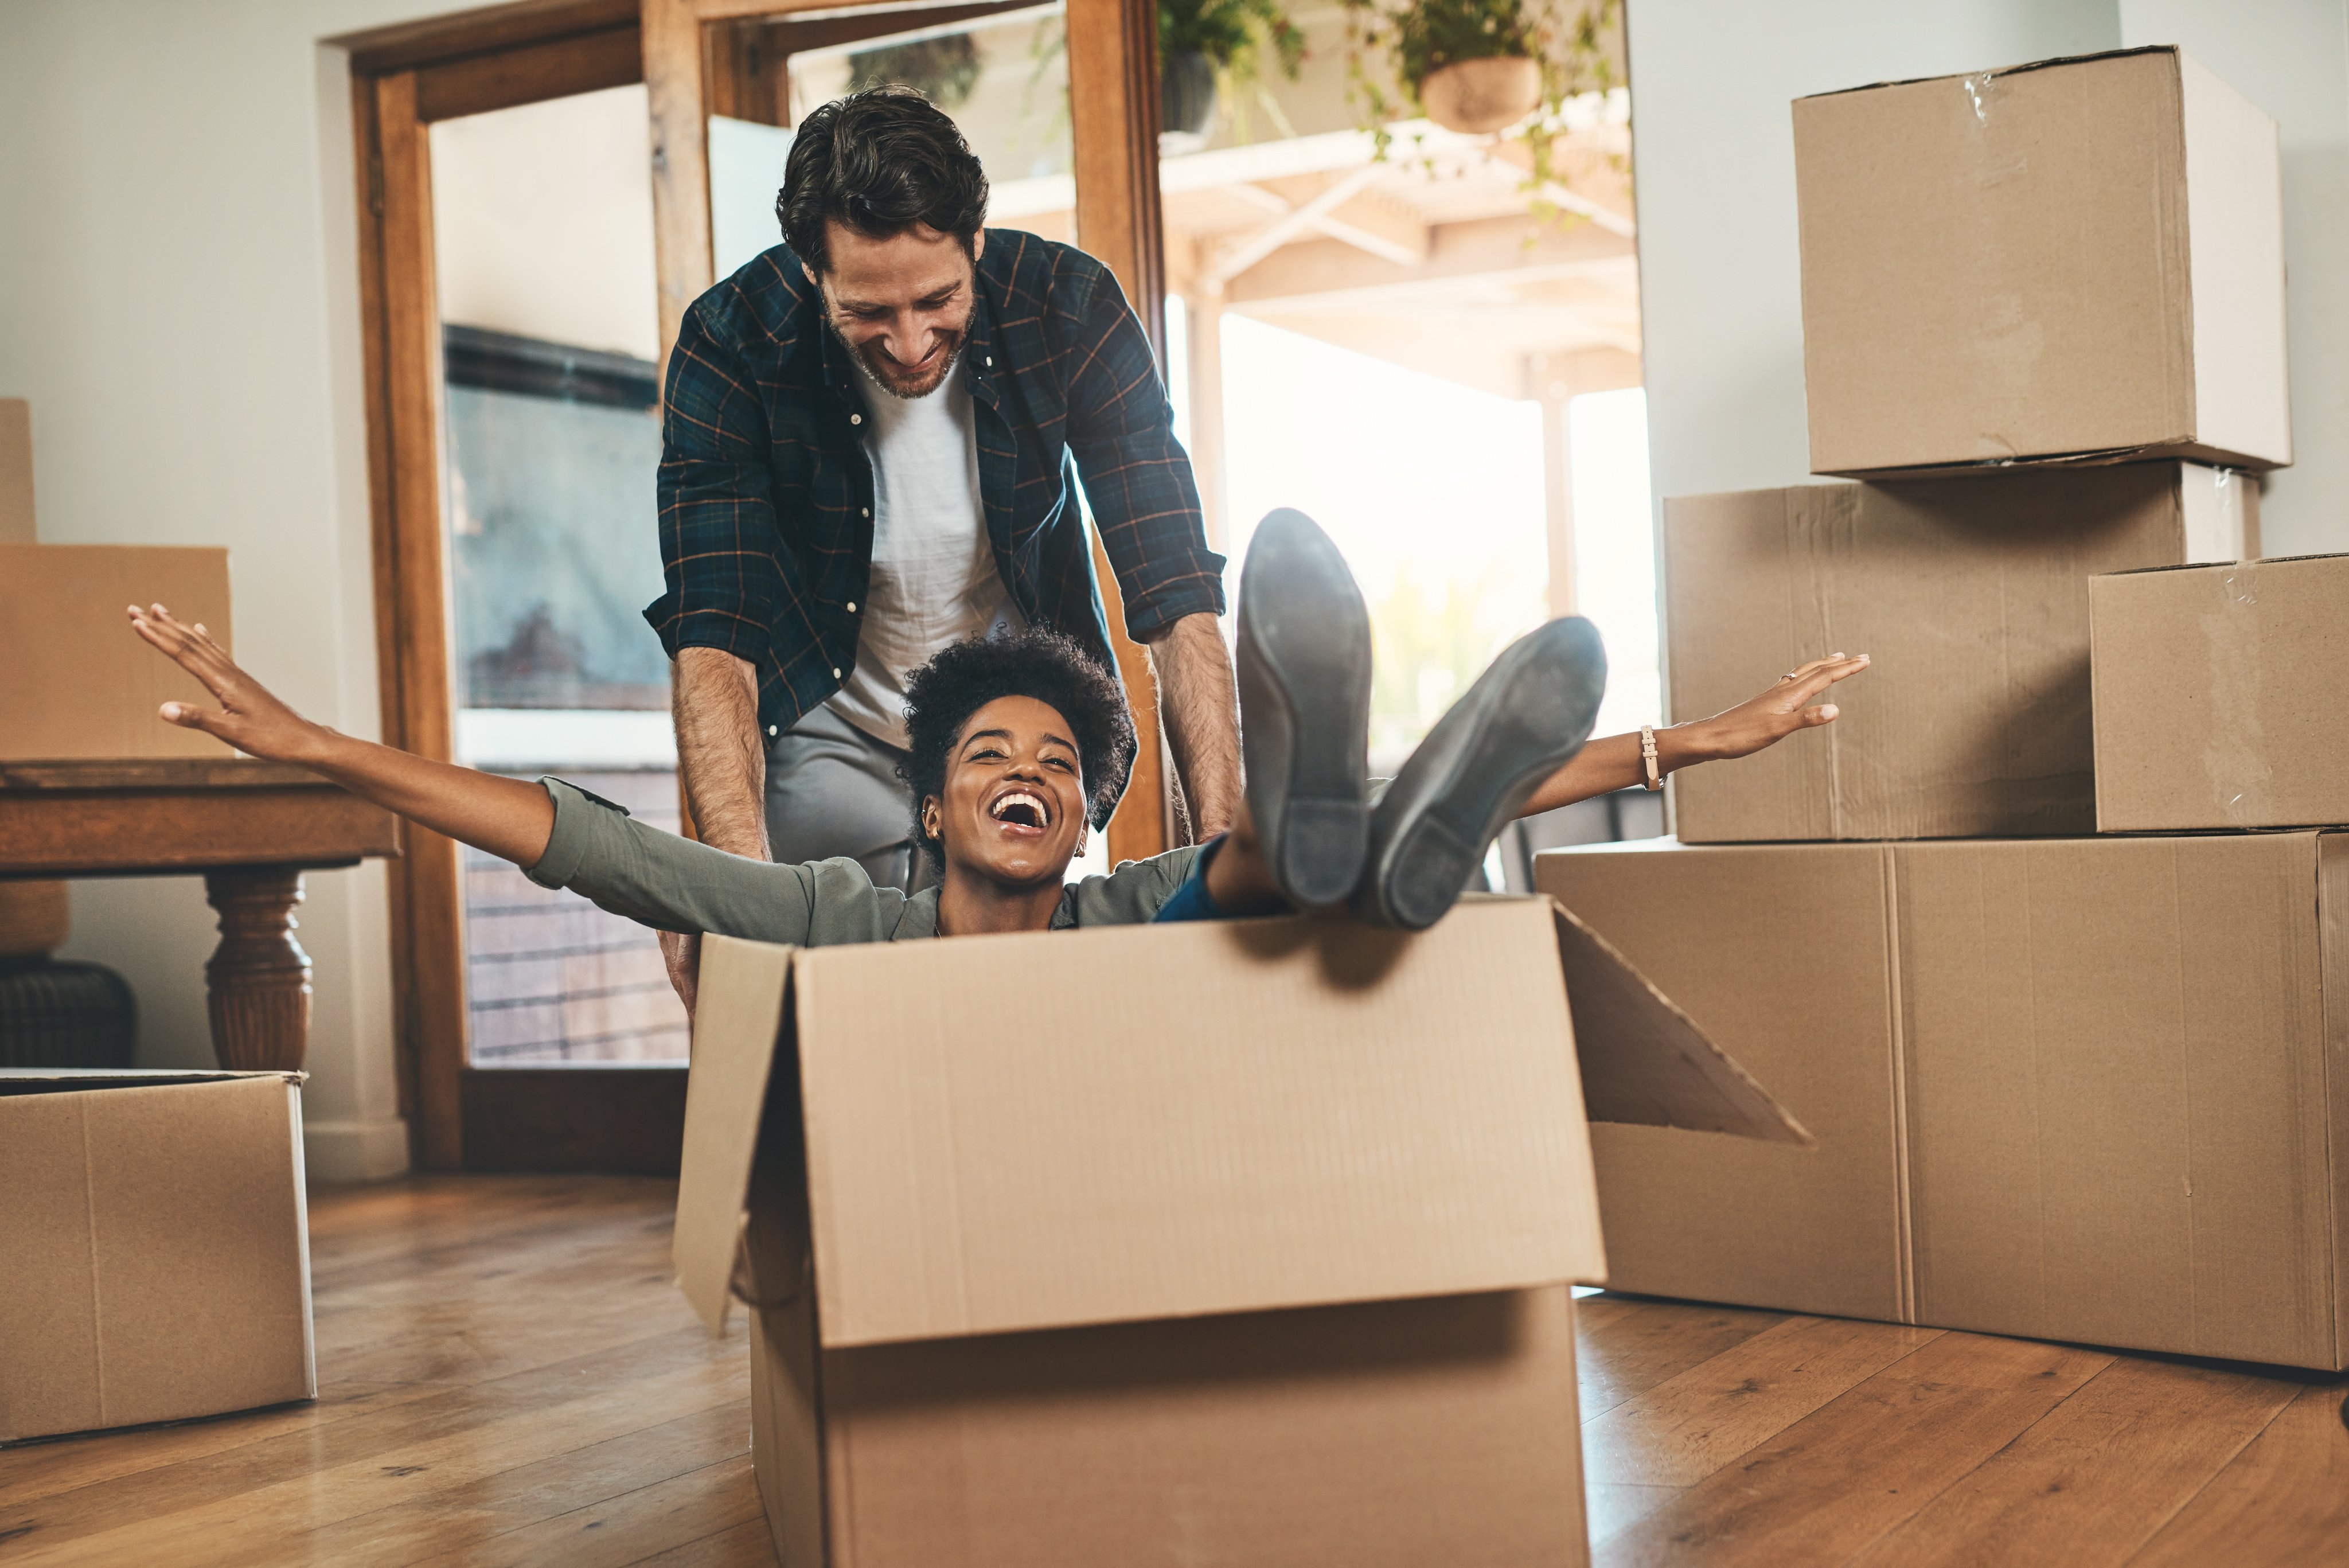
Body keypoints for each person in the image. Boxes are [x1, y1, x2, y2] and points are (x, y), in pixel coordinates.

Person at [124, 513, 1868, 947]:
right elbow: (590, 843)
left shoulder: (1122, 904)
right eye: (986, 756)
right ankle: (1335, 818)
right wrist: (320, 745)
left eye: (1053, 761)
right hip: (1253, 911)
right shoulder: (843, 919)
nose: (1026, 771)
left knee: (1253, 885)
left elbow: (1188, 878)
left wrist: (1688, 743)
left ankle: (1327, 800)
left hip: (1230, 917)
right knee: (1285, 877)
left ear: (1081, 812)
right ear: (929, 812)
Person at [646, 87, 1238, 1001]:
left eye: (937, 298)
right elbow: (715, 637)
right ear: (812, 273)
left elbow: (1175, 592)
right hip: (827, 724)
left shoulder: (1070, 307)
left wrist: (1229, 861)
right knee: (825, 1019)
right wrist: (732, 894)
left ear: (978, 244)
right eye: (868, 313)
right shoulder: (732, 343)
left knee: (1015, 1016)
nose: (912, 341)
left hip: (1012, 722)